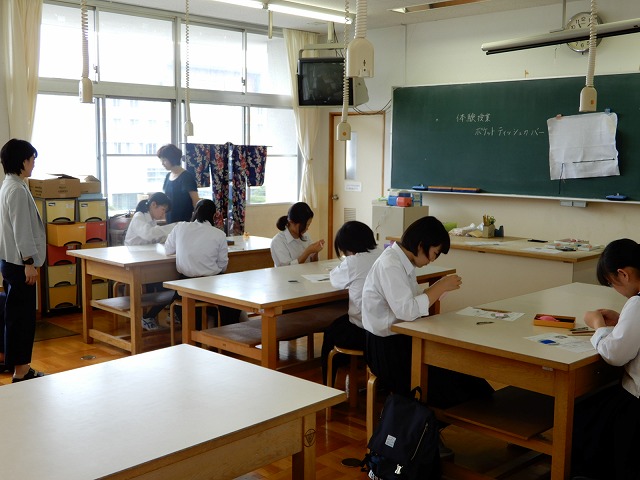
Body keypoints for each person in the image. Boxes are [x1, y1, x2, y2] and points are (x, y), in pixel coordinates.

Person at [362, 215, 494, 405]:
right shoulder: (390, 264)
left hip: (401, 340)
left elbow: (411, 302)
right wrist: (439, 287)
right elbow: (407, 311)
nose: (433, 259)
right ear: (421, 245)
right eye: (435, 252)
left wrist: (437, 288)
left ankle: (485, 409)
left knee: (461, 370)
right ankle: (429, 428)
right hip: (386, 350)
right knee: (448, 380)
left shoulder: (402, 261)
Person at [571, 238, 640, 480]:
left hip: (636, 400)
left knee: (580, 411)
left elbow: (615, 355)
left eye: (612, 283)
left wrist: (598, 325)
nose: (615, 290)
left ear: (623, 274)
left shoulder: (638, 303)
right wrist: (623, 320)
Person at [0, 139, 47, 382]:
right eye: (32, 159)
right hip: (20, 264)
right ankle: (21, 372)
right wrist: (29, 262)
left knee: (16, 317)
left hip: (10, 262)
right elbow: (22, 230)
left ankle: (21, 368)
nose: (34, 163)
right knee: (21, 319)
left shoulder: (11, 185)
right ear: (22, 161)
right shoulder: (17, 189)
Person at [164, 199, 239, 327]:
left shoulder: (181, 227)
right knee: (234, 304)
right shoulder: (219, 234)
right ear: (214, 216)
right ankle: (221, 338)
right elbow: (223, 267)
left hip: (184, 286)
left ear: (195, 212)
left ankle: (195, 334)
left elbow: (168, 249)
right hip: (210, 286)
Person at [321, 221, 380, 385]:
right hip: (385, 329)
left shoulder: (353, 262)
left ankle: (328, 388)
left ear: (348, 248)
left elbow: (335, 280)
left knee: (331, 333)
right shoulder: (384, 255)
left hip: (362, 330)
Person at [124, 192, 176, 330]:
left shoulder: (151, 220)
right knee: (164, 285)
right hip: (135, 261)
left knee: (167, 283)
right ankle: (149, 316)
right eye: (163, 210)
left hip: (146, 258)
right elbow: (149, 234)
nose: (163, 215)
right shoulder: (139, 217)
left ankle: (158, 314)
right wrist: (172, 227)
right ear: (153, 205)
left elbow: (155, 237)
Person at [270, 201, 325, 267]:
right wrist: (307, 252)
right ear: (292, 222)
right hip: (287, 276)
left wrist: (315, 251)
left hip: (306, 274)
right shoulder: (278, 241)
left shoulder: (305, 235)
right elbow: (287, 268)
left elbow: (314, 263)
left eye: (308, 225)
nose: (307, 228)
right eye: (304, 225)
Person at [158, 144, 199, 224]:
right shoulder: (168, 176)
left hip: (184, 222)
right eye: (161, 160)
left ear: (172, 159)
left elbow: (196, 202)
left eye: (164, 160)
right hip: (170, 221)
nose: (162, 163)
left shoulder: (186, 177)